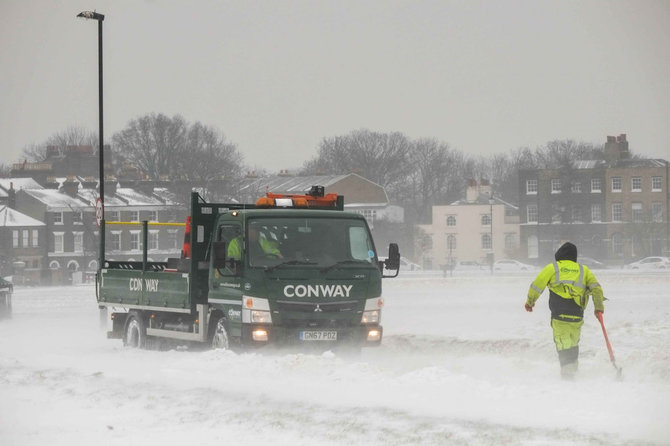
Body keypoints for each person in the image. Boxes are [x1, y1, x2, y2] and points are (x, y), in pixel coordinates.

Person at [524, 242, 605, 379]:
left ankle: (568, 376)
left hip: (559, 314)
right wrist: (598, 308)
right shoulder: (583, 270)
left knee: (563, 344)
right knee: (573, 343)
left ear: (559, 254)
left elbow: (537, 286)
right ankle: (573, 372)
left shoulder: (552, 267)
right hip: (576, 315)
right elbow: (596, 289)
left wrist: (530, 302)